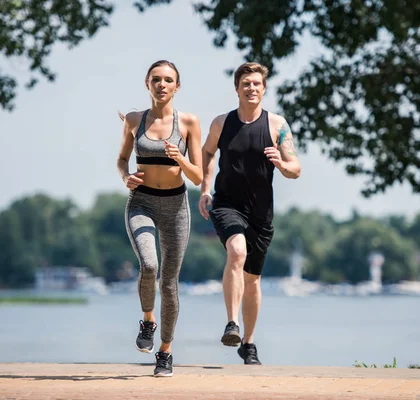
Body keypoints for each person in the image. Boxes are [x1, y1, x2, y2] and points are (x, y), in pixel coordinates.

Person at [198, 62, 301, 365]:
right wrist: (205, 189)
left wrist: (282, 165)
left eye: (256, 84)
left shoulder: (277, 126)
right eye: (246, 84)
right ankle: (232, 324)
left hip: (261, 212)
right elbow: (206, 153)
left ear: (264, 88)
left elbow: (296, 167)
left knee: (253, 280)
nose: (251, 88)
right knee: (237, 251)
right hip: (227, 203)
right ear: (237, 89)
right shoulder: (221, 123)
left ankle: (249, 343)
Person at [117, 60, 202, 377]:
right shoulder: (135, 120)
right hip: (142, 204)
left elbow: (197, 177)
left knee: (169, 283)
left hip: (176, 207)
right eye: (156, 79)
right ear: (147, 83)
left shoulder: (189, 122)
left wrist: (180, 157)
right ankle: (148, 319)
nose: (162, 84)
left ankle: (165, 353)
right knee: (149, 265)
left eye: (168, 80)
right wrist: (125, 175)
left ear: (177, 87)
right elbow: (122, 158)